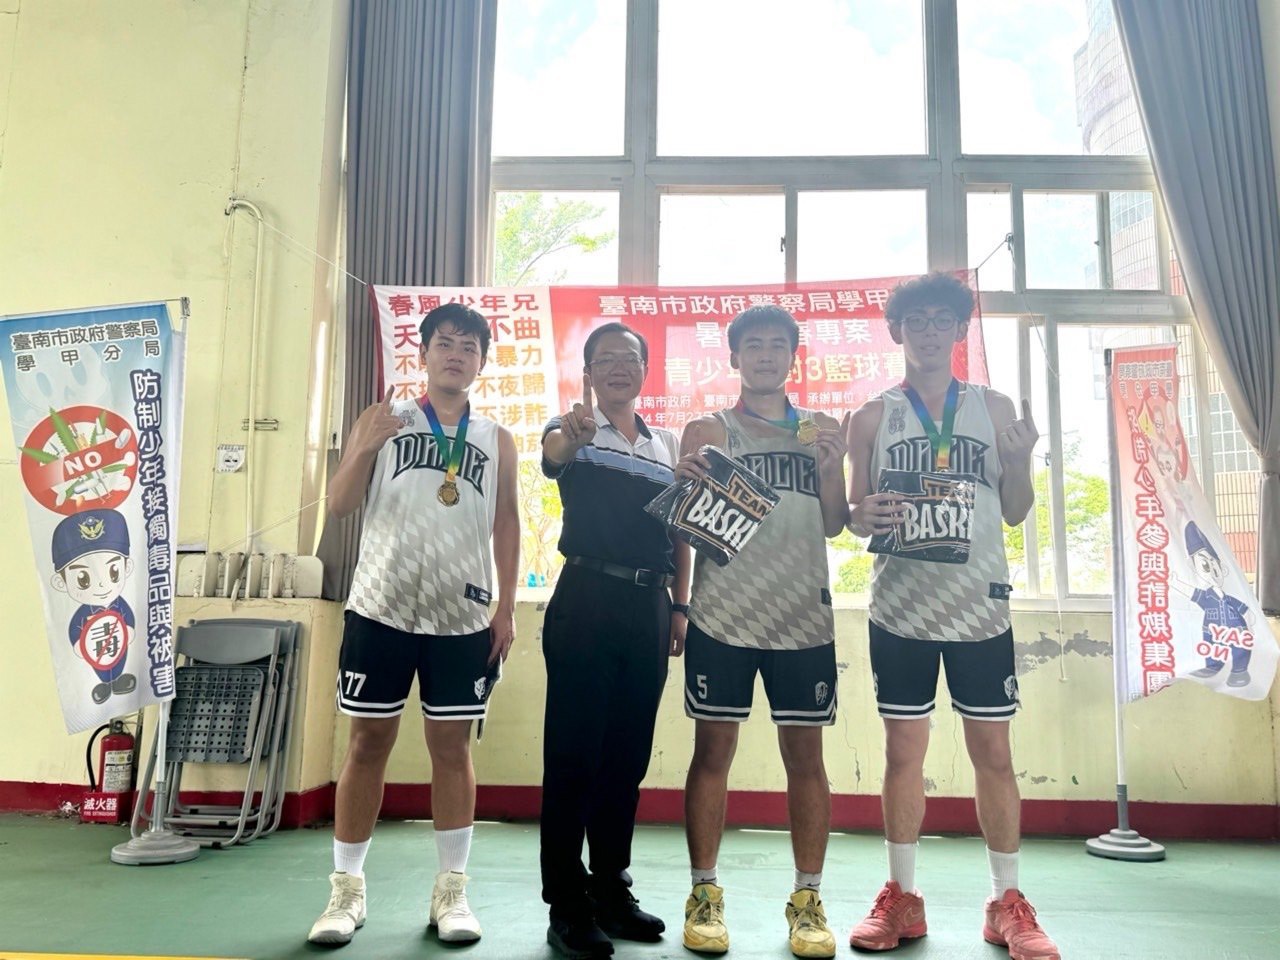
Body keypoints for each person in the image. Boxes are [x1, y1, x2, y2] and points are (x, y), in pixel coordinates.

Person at [844, 273, 1058, 960]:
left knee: (993, 754)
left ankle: (1006, 902)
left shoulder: (994, 409)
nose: (930, 332)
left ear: (961, 330)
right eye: (917, 321)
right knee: (903, 753)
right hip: (901, 609)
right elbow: (852, 513)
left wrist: (1019, 461)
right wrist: (862, 513)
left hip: (979, 609)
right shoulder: (870, 417)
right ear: (897, 331)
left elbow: (1017, 509)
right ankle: (902, 896)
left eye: (943, 320)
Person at [307, 303, 519, 947]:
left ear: (481, 362)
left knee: (452, 749)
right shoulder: (384, 420)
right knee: (366, 744)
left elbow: (507, 522)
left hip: (462, 616)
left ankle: (451, 891)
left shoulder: (495, 439)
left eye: (469, 346)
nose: (456, 354)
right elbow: (340, 505)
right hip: (381, 608)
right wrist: (365, 446)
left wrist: (506, 607)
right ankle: (346, 891)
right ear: (422, 354)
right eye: (444, 343)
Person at [674, 305, 848, 959]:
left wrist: (829, 468)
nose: (767, 355)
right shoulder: (706, 430)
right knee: (712, 754)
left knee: (806, 761)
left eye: (778, 344)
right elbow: (683, 528)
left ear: (793, 356)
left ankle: (808, 901)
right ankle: (704, 893)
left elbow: (836, 524)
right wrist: (683, 490)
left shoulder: (820, 429)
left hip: (803, 618)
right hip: (723, 616)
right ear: (734, 358)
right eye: (754, 345)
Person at [539, 321, 686, 959]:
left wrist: (680, 605)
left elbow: (682, 531)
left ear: (645, 370)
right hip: (586, 598)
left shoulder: (665, 444)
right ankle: (566, 905)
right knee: (574, 756)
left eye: (630, 358)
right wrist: (570, 438)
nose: (619, 367)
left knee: (627, 757)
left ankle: (610, 890)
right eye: (605, 359)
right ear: (590, 373)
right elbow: (553, 456)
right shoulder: (573, 429)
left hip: (651, 604)